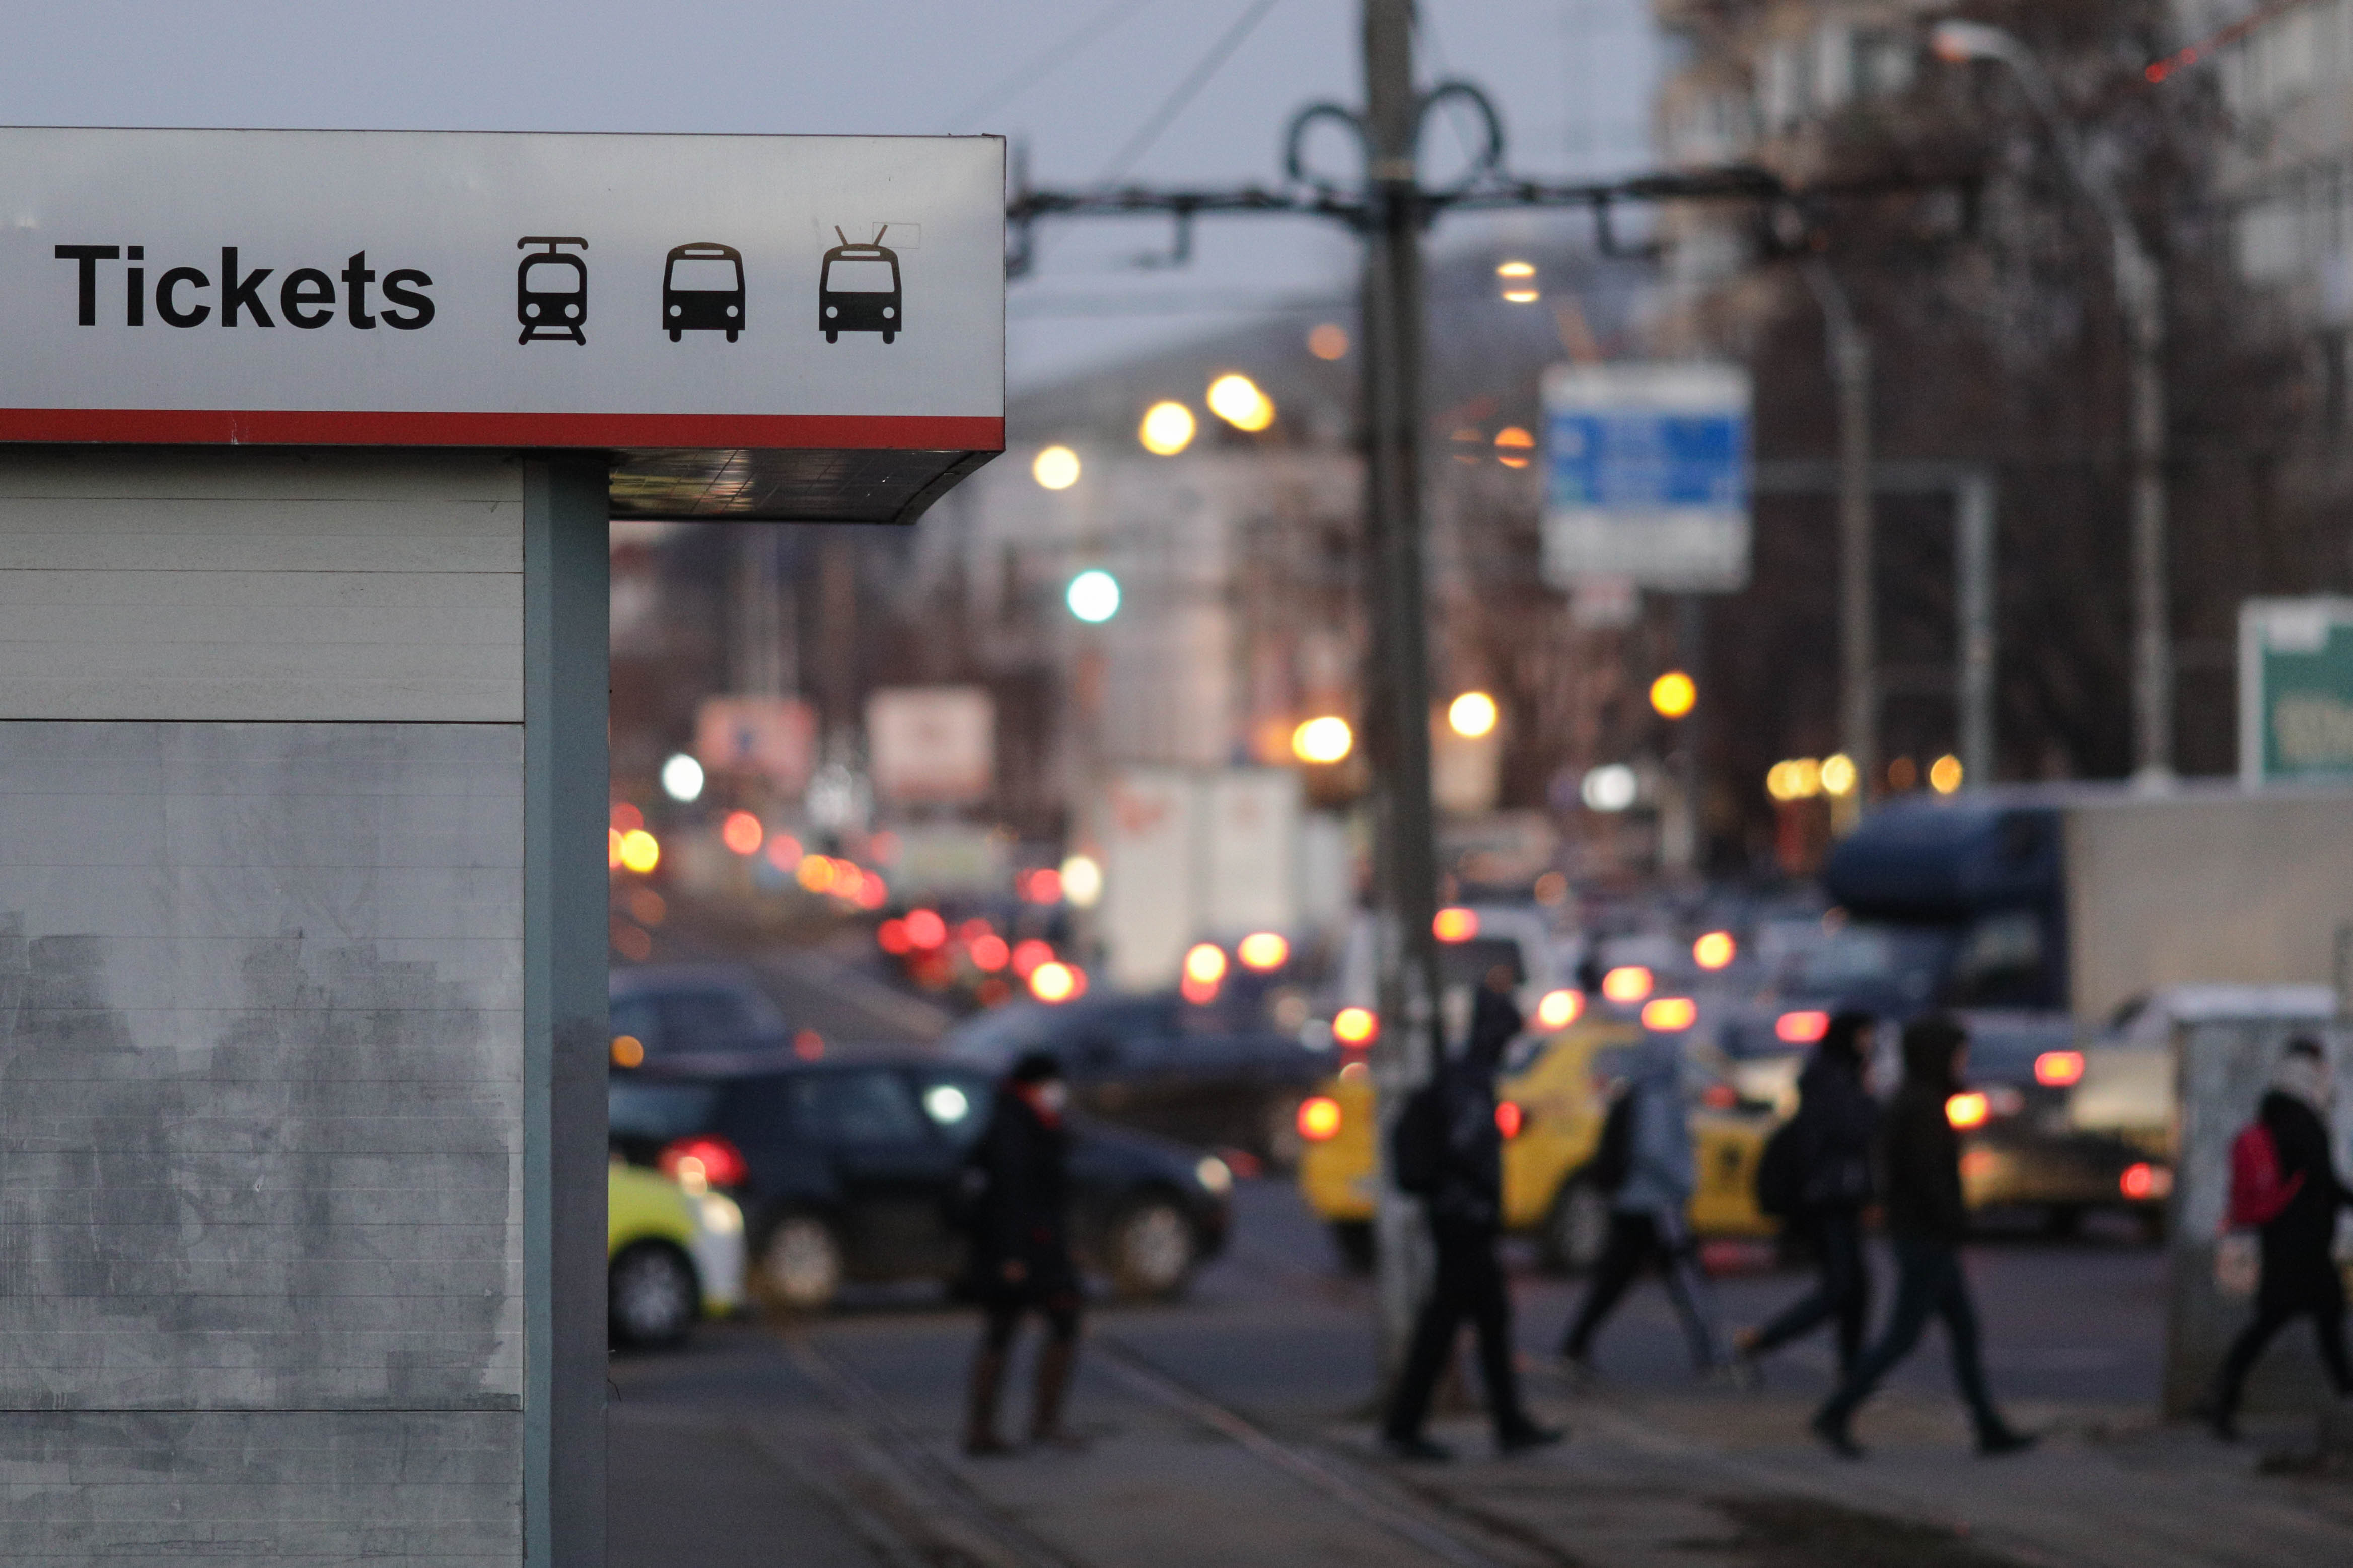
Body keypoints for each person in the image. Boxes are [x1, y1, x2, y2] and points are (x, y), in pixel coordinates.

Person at [1811, 1014, 2034, 1458]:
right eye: (1955, 1054)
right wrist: (1954, 1222)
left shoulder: (1919, 1101)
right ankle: (1837, 1410)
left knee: (1962, 1332)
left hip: (1925, 1236)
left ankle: (1988, 1425)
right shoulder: (1921, 1107)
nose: (1960, 1063)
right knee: (1903, 1336)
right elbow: (1929, 1178)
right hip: (1925, 1238)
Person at [1382, 966, 1564, 1461]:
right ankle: (1408, 1425)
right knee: (1446, 1322)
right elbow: (1469, 1149)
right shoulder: (1470, 1081)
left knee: (1486, 1318)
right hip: (1462, 1219)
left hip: (1460, 1217)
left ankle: (1504, 1423)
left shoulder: (1463, 1075)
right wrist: (1483, 1197)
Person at [1558, 1030, 1726, 1379]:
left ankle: (1575, 1344)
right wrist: (1684, 1182)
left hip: (1633, 1200)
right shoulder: (1658, 1096)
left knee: (1615, 1278)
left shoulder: (1639, 1090)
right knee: (1685, 1279)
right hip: (1657, 1203)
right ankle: (1712, 1353)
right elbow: (1654, 1150)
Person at [2208, 1037, 2352, 1440]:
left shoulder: (2277, 1112)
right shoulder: (2303, 1119)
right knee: (2313, 1318)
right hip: (2300, 1243)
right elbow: (2320, 1180)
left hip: (2286, 1239)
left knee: (2297, 1320)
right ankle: (2222, 1394)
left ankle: (2222, 1394)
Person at [1733, 1011, 1879, 1378]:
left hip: (1837, 1194)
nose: (1870, 1043)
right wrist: (1870, 1097)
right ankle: (1761, 1341)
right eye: (1865, 1035)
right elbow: (1852, 1129)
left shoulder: (1835, 1075)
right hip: (1828, 1196)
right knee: (1841, 1286)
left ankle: (1852, 1369)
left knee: (1854, 1288)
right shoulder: (1833, 1079)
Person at [960, 1050, 1084, 1456]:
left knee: (1009, 1329)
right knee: (1041, 1322)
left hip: (1030, 1246)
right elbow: (1013, 1194)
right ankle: (1020, 1424)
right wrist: (1012, 1256)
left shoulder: (1023, 1119)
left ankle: (997, 1426)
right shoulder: (1015, 1125)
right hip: (1025, 1250)